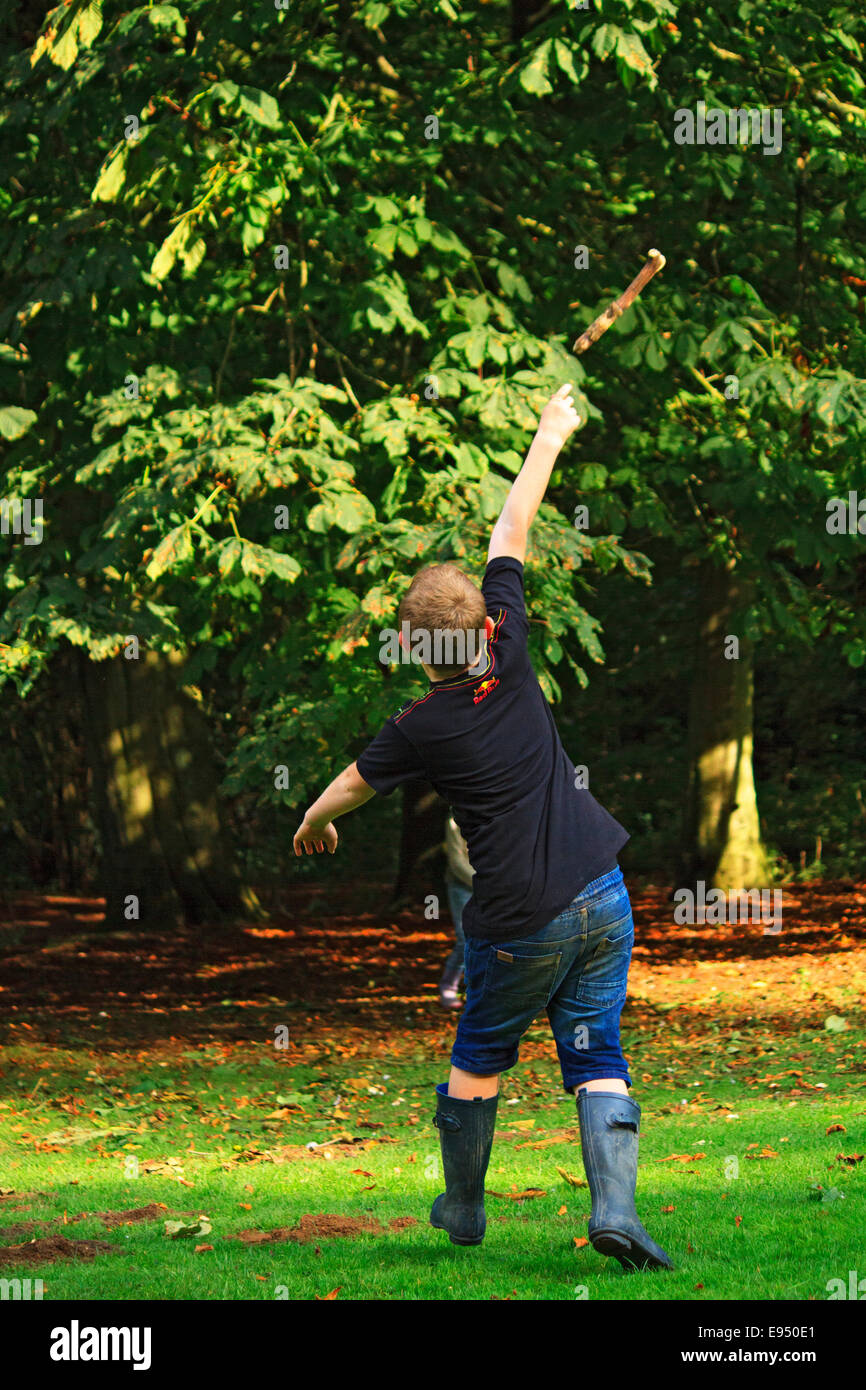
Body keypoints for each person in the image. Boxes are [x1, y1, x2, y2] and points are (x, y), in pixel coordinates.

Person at [293, 384, 672, 1272]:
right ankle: (614, 1209)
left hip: (518, 922)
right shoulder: (509, 638)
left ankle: (463, 1207)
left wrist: (311, 820)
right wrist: (549, 429)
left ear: (415, 650)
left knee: (480, 1052)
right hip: (603, 891)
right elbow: (512, 530)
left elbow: (351, 785)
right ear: (479, 626)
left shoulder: (421, 725)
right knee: (596, 1050)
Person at [439, 815, 473, 1010]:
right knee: (465, 939)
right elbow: (457, 862)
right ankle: (448, 987)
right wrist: (485, 883)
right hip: (463, 885)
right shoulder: (454, 821)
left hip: (494, 884)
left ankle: (477, 991)